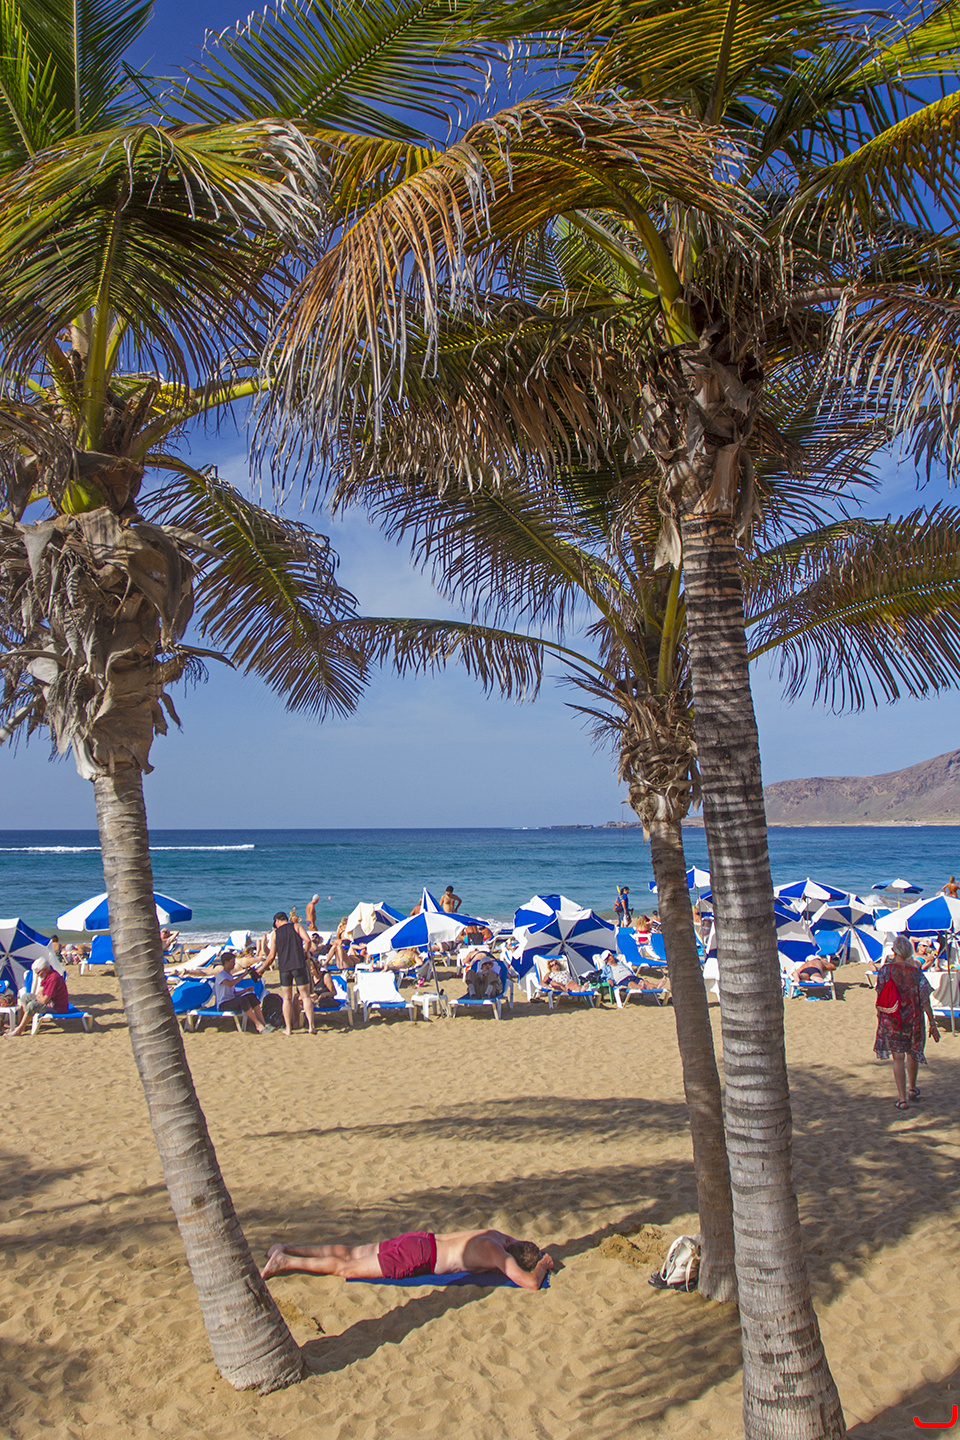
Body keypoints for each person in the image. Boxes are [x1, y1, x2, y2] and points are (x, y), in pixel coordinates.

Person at [261, 1227, 553, 1290]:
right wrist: (543, 1265)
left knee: (351, 1252)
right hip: (419, 1256)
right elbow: (529, 1282)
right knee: (347, 1268)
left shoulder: (499, 1237)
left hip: (419, 1239)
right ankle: (286, 1261)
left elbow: (516, 1245)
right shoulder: (498, 1255)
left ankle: (287, 1247)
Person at [874, 933, 940, 1109]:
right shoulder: (916, 973)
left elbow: (880, 995)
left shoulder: (886, 971)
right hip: (913, 1018)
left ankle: (902, 1099)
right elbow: (925, 1000)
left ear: (894, 951)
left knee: (898, 1058)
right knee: (912, 1053)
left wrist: (880, 1016)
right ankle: (912, 1088)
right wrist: (932, 1023)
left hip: (893, 1019)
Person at [265, 912, 316, 1036]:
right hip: (298, 964)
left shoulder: (275, 933)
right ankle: (311, 1026)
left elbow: (271, 956)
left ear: (277, 921)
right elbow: (307, 940)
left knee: (286, 999)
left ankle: (288, 1029)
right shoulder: (296, 926)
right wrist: (306, 952)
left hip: (284, 968)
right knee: (305, 996)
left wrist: (262, 969)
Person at [212, 951, 274, 1033]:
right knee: (243, 1001)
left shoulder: (229, 975)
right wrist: (243, 975)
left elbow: (234, 993)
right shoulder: (221, 975)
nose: (234, 964)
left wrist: (245, 990)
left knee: (251, 996)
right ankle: (258, 1025)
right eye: (232, 962)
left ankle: (263, 1023)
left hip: (231, 1001)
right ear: (226, 962)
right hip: (223, 1005)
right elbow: (230, 984)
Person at [7, 957, 70, 1036]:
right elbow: (39, 993)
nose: (37, 975)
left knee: (32, 1005)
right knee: (25, 997)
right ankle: (23, 1024)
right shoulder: (46, 975)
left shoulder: (53, 978)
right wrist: (41, 997)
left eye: (38, 973)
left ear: (45, 969)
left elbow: (44, 1000)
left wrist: (41, 997)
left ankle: (19, 1030)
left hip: (57, 1007)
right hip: (50, 1002)